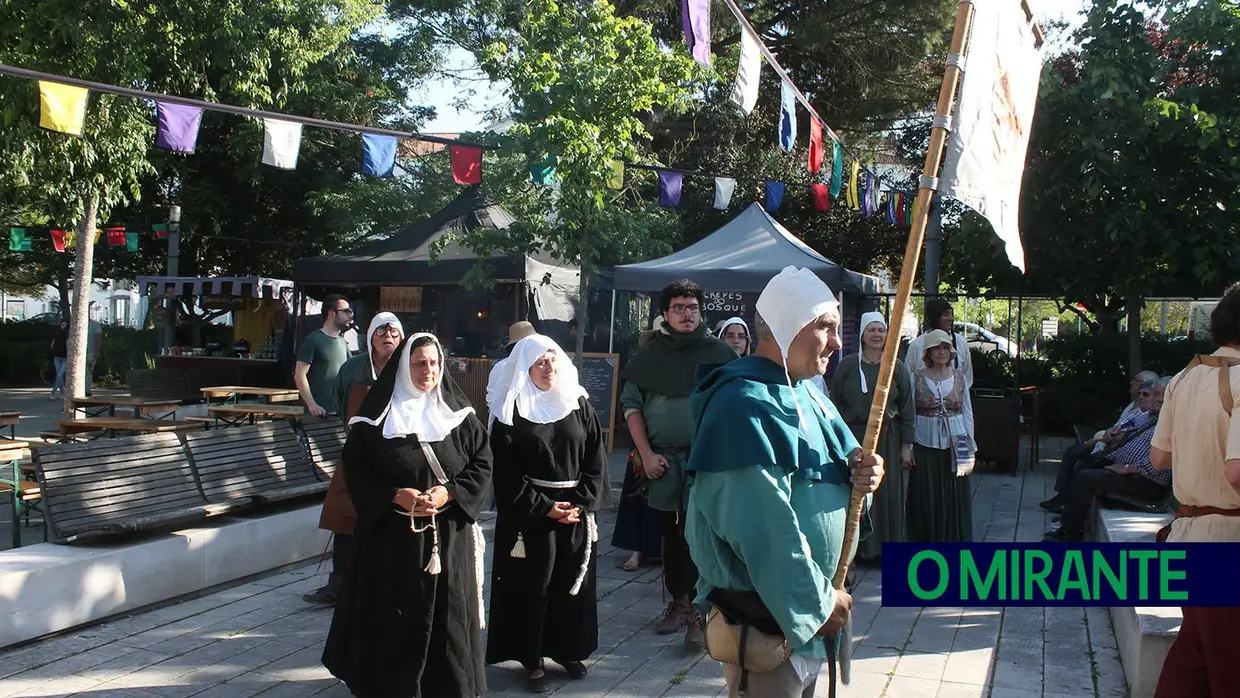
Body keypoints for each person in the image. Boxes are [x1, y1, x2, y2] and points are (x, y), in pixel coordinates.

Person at [686, 266, 884, 698]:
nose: (837, 341)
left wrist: (867, 471)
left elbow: (851, 460)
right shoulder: (739, 406)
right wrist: (819, 603)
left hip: (813, 608)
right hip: (769, 617)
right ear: (785, 326)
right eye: (826, 327)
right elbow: (763, 527)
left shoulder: (810, 391)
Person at [322, 333, 493, 698]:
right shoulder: (373, 423)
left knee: (448, 622)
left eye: (433, 363)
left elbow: (482, 463)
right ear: (403, 366)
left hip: (446, 542)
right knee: (393, 621)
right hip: (391, 544)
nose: (427, 370)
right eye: (418, 363)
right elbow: (355, 470)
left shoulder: (460, 418)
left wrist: (448, 491)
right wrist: (394, 496)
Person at [484, 334, 606, 692]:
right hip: (530, 518)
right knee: (532, 586)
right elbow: (504, 472)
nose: (549, 367)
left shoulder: (577, 402)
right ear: (525, 368)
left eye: (553, 359)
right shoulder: (510, 411)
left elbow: (595, 457)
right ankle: (532, 656)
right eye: (540, 362)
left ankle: (567, 650)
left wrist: (581, 501)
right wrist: (545, 508)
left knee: (571, 585)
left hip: (574, 511)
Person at [620, 279, 737, 646]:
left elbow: (737, 404)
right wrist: (645, 454)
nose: (687, 314)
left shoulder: (719, 353)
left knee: (705, 534)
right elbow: (632, 406)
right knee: (672, 536)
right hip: (664, 463)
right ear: (665, 313)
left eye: (692, 307)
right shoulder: (649, 356)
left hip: (706, 460)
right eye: (678, 308)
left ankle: (704, 613)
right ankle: (680, 604)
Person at [1152, 283, 1240, 697]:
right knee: (1226, 667)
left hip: (1188, 535)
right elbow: (1237, 471)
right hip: (1226, 540)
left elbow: (1158, 459)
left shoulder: (1186, 376)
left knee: (1196, 658)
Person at [305, 312, 405, 606]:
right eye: (381, 332)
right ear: (371, 336)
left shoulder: (406, 369)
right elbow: (340, 402)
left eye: (394, 333)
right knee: (344, 515)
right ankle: (339, 583)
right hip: (358, 454)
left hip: (396, 457)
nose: (388, 337)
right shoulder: (352, 369)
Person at [829, 312, 915, 562]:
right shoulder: (847, 365)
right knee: (859, 490)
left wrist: (906, 445)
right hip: (855, 437)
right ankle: (860, 550)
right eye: (872, 330)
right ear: (863, 335)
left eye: (881, 330)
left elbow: (907, 406)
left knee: (888, 492)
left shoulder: (895, 366)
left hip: (888, 438)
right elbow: (835, 403)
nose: (877, 335)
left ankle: (887, 550)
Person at [1044, 378, 1169, 542]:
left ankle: (1070, 534)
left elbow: (1161, 462)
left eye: (1165, 395)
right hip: (1128, 470)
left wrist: (1127, 468)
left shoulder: (1171, 424)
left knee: (1086, 478)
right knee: (1086, 462)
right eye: (1157, 394)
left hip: (1146, 481)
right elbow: (1125, 426)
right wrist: (1113, 431)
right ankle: (1067, 520)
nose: (1159, 398)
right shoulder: (1149, 415)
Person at [908, 329, 976, 542]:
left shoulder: (960, 378)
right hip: (925, 442)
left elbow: (967, 412)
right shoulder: (916, 378)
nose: (941, 352)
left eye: (945, 347)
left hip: (958, 442)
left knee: (955, 495)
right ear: (928, 352)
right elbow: (910, 412)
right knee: (927, 496)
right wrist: (908, 447)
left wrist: (971, 448)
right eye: (936, 347)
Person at [611, 316, 666, 573]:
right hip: (645, 443)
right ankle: (638, 550)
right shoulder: (641, 369)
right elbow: (631, 407)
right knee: (639, 499)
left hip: (675, 446)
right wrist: (645, 450)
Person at [295, 294, 352, 419]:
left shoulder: (342, 342)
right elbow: (299, 375)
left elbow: (351, 374)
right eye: (346, 311)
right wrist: (312, 404)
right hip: (318, 415)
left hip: (340, 413)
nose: (350, 315)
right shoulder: (312, 340)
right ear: (331, 314)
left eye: (350, 311)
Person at [905, 298, 973, 390]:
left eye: (951, 314)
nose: (951, 318)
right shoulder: (917, 345)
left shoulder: (960, 343)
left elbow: (967, 378)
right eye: (946, 314)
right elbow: (908, 378)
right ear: (935, 316)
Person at [49, 318, 69, 399]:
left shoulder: (67, 334)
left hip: (64, 357)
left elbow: (67, 345)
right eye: (62, 325)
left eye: (65, 325)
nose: (63, 326)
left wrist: (68, 355)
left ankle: (52, 393)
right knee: (59, 375)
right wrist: (52, 351)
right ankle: (62, 393)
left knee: (60, 374)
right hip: (57, 356)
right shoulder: (57, 333)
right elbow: (53, 343)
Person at [85, 303, 103, 396]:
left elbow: (98, 338)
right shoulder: (78, 324)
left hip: (91, 352)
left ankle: (86, 390)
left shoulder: (95, 325)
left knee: (88, 371)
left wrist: (96, 351)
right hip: (80, 352)